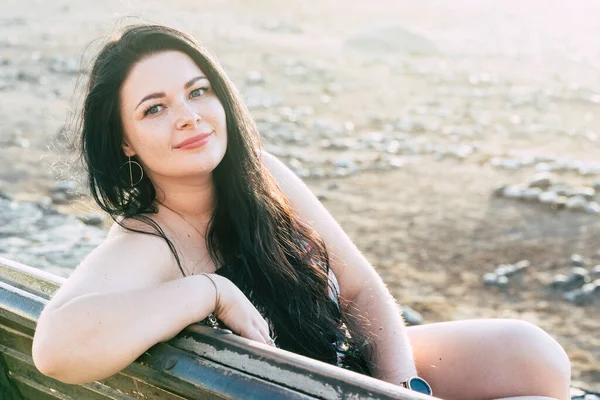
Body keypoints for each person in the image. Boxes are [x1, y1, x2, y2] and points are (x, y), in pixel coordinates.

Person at [31, 24, 571, 400]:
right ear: (124, 142)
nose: (190, 117)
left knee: (534, 354)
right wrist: (208, 291)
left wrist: (399, 390)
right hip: (306, 391)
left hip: (344, 373)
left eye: (198, 92)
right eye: (155, 108)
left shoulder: (261, 172)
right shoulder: (149, 241)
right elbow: (55, 350)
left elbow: (359, 291)